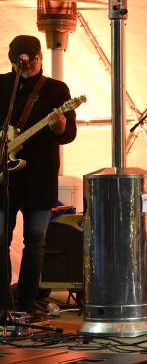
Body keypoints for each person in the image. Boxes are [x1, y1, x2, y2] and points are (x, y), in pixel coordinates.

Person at [0, 35, 77, 316]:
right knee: (1, 239)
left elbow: (68, 134)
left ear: (40, 57)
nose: (27, 66)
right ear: (12, 60)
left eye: (31, 60)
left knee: (35, 242)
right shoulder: (2, 85)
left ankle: (27, 302)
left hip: (40, 178)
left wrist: (59, 126)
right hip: (5, 179)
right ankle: (3, 304)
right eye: (19, 62)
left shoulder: (57, 89)